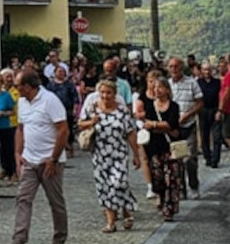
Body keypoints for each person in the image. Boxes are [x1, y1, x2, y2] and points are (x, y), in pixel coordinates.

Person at [0, 69, 69, 244]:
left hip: (48, 160)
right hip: (29, 159)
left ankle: (59, 241)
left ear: (28, 86)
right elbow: (21, 128)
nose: (16, 90)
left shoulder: (50, 100)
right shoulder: (22, 102)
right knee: (23, 199)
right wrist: (18, 153)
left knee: (55, 201)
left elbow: (63, 130)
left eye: (19, 86)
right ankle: (18, 242)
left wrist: (53, 158)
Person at [77, 79, 140, 232]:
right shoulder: (93, 108)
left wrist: (136, 154)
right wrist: (91, 122)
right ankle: (111, 222)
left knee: (118, 183)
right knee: (104, 187)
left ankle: (125, 208)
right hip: (100, 154)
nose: (105, 96)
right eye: (102, 92)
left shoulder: (122, 110)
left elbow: (130, 132)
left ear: (115, 94)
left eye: (108, 93)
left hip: (118, 152)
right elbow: (80, 124)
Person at [139, 78, 184, 221]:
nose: (157, 90)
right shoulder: (150, 106)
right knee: (157, 178)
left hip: (170, 147)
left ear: (167, 90)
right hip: (154, 147)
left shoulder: (174, 106)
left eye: (160, 87)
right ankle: (161, 198)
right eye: (155, 87)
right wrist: (157, 125)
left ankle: (169, 209)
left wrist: (154, 125)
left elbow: (171, 124)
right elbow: (146, 124)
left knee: (171, 178)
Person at [167, 56, 203, 196]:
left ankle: (194, 185)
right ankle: (180, 188)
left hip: (189, 125)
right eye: (171, 66)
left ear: (182, 68)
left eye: (176, 66)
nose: (174, 69)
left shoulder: (192, 83)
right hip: (173, 127)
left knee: (190, 159)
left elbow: (200, 103)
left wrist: (188, 115)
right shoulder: (167, 85)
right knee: (176, 158)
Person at [135, 69, 163, 199]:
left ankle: (160, 184)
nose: (153, 84)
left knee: (159, 157)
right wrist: (146, 117)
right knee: (145, 158)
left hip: (160, 130)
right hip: (144, 130)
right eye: (151, 81)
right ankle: (150, 186)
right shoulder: (141, 96)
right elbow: (137, 114)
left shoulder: (162, 97)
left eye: (155, 82)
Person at [47, 65, 79, 157]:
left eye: (63, 71)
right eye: (59, 71)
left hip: (67, 109)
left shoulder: (69, 84)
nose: (61, 73)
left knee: (68, 129)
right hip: (54, 111)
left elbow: (75, 97)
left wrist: (75, 109)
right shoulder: (50, 85)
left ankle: (69, 147)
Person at [196, 61, 222, 169]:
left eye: (208, 69)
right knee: (204, 135)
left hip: (215, 110)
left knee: (217, 136)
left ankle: (215, 159)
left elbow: (221, 96)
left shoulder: (217, 82)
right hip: (203, 110)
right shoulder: (198, 83)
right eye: (205, 70)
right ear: (201, 71)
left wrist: (220, 110)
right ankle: (208, 157)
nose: (207, 72)